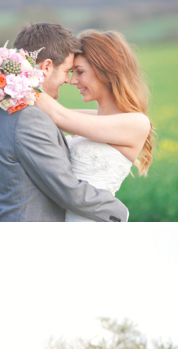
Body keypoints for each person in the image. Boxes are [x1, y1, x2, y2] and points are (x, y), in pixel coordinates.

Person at [0, 23, 129, 222]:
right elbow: (67, 189)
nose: (69, 80)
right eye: (68, 70)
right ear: (47, 66)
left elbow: (69, 116)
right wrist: (120, 212)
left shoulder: (7, 107)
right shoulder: (29, 117)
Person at [34, 29, 153, 222]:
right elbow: (45, 113)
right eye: (72, 72)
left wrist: (15, 80)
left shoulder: (137, 123)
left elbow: (57, 115)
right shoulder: (91, 118)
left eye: (79, 72)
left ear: (105, 70)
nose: (72, 81)